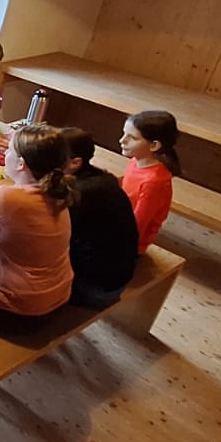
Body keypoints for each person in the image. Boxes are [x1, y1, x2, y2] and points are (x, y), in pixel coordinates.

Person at [0, 124, 78, 334]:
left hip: (17, 311)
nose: (5, 154)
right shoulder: (58, 192)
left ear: (21, 163)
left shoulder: (9, 198)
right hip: (57, 299)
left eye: (9, 150)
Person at [59, 127, 140, 307]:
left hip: (96, 289)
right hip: (116, 276)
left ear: (75, 163)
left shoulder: (80, 194)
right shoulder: (100, 178)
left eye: (50, 157)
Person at [119, 110, 181, 254]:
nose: (122, 140)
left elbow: (138, 226)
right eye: (124, 133)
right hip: (120, 223)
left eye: (132, 138)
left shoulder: (154, 182)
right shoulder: (135, 161)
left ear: (154, 145)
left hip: (129, 244)